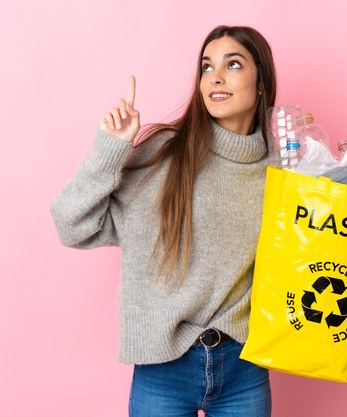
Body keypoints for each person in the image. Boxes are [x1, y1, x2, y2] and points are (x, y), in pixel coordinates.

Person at [51, 25, 277, 417]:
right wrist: (113, 148)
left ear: (261, 84)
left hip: (245, 366)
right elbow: (71, 223)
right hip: (163, 369)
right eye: (207, 67)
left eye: (233, 64)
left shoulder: (282, 173)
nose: (216, 78)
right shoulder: (164, 154)